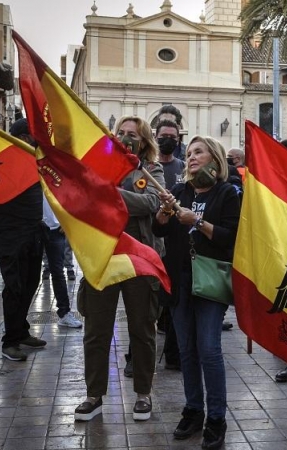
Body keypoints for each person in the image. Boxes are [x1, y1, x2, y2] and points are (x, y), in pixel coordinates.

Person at [74, 116, 165, 422]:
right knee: (96, 330)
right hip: (103, 256)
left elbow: (151, 202)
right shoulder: (97, 169)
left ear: (144, 141)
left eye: (133, 135)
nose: (126, 139)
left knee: (142, 328)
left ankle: (143, 393)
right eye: (121, 134)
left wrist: (109, 194)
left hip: (137, 257)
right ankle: (94, 394)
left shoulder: (151, 170)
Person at [153, 136, 240, 449]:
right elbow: (160, 230)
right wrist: (164, 213)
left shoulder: (227, 193)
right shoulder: (181, 191)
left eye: (197, 152)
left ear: (214, 158)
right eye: (188, 153)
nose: (190, 158)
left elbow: (231, 237)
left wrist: (198, 221)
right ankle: (193, 410)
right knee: (187, 350)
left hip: (210, 283)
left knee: (209, 349)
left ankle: (216, 418)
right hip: (180, 280)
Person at [0, 118, 47, 361]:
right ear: (24, 137)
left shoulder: (35, 161)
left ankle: (21, 331)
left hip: (33, 232)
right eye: (33, 136)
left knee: (30, 283)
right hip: (10, 235)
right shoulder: (3, 162)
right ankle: (10, 342)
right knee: (14, 287)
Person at [154, 119, 185, 370]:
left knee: (171, 297)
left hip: (173, 243)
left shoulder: (182, 168)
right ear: (155, 137)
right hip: (154, 239)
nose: (168, 140)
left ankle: (172, 349)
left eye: (173, 137)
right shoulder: (148, 167)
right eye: (164, 136)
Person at [41, 195, 83, 328]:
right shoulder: (27, 178)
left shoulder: (54, 175)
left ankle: (64, 313)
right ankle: (16, 321)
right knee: (27, 274)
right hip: (33, 229)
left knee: (58, 272)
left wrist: (66, 222)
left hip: (55, 230)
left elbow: (69, 197)